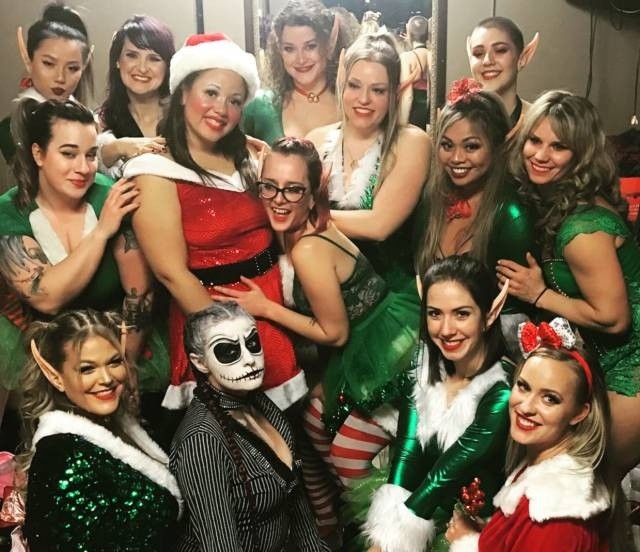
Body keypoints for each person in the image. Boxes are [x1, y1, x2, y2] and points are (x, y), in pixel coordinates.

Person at [124, 33, 305, 411]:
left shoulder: (248, 157)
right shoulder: (154, 171)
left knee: (285, 434)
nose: (221, 108)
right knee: (229, 433)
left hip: (271, 307)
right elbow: (172, 273)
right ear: (183, 93)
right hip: (214, 316)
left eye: (234, 100)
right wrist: (230, 338)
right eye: (210, 92)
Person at [496, 90, 640, 480]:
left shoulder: (582, 228)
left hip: (632, 371)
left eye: (559, 146)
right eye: (535, 140)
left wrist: (540, 294)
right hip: (604, 367)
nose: (540, 155)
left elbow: (613, 318)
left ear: (581, 155)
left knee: (589, 489)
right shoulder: (558, 205)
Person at [0, 99, 166, 405]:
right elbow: (47, 298)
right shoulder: (9, 212)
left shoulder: (110, 195)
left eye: (90, 155)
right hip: (47, 348)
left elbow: (140, 295)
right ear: (38, 154)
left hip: (118, 342)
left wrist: (122, 367)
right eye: (68, 154)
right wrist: (102, 232)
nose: (83, 168)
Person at [363, 255, 511, 552]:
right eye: (434, 314)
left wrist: (391, 541)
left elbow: (444, 475)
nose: (446, 329)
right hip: (422, 510)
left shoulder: (502, 392)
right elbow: (407, 454)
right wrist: (384, 537)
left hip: (475, 531)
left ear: (490, 314)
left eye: (461, 314)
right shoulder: (422, 369)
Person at [18, 309, 182, 551]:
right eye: (87, 369)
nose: (106, 378)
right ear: (56, 377)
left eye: (114, 362)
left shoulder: (121, 426)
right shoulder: (61, 455)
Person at [170, 302, 328, 551]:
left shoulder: (260, 403)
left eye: (252, 343)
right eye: (228, 351)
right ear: (200, 363)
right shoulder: (201, 439)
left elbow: (297, 503)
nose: (249, 360)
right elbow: (220, 545)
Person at [445, 318, 611, 551]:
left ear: (579, 413)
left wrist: (467, 543)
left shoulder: (554, 511)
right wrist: (483, 536)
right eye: (523, 386)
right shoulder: (539, 467)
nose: (526, 407)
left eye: (550, 398)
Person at [415, 78, 535, 356]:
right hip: (434, 338)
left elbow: (514, 314)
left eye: (471, 147)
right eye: (447, 145)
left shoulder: (511, 216)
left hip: (492, 351)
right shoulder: (431, 200)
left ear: (497, 147)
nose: (456, 158)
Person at [308, 32, 431, 292]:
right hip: (325, 292)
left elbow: (378, 225)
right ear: (342, 83)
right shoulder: (315, 141)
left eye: (377, 90)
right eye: (354, 86)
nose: (363, 99)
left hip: (390, 297)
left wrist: (303, 216)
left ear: (394, 94)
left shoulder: (411, 142)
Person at [242, 0, 354, 145]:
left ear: (328, 46)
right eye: (289, 49)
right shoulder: (260, 107)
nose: (301, 59)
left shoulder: (353, 102)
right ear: (279, 51)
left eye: (310, 46)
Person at [0, 2, 93, 162]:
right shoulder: (12, 128)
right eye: (48, 64)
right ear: (28, 60)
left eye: (72, 68)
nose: (60, 78)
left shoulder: (90, 121)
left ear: (83, 67)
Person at [96, 15, 175, 179]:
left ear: (167, 66)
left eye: (154, 59)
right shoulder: (101, 123)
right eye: (132, 55)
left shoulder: (184, 116)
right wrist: (119, 147)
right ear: (117, 60)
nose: (142, 68)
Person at [467, 16, 538, 131]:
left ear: (523, 58)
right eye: (478, 53)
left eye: (500, 50)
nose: (487, 61)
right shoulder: (457, 122)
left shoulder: (538, 122)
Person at [399, 15, 431, 129]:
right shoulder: (433, 55)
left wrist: (402, 124)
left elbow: (407, 95)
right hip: (429, 111)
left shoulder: (407, 57)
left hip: (413, 111)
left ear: (409, 33)